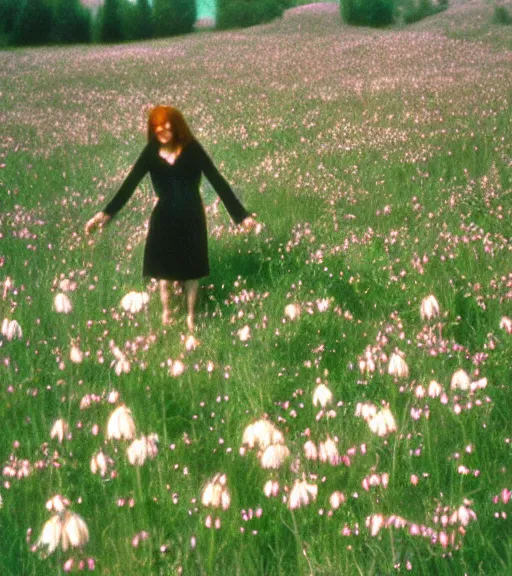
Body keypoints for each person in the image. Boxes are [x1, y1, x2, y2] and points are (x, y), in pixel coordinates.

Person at [85, 105, 258, 332]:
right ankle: (167, 315)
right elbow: (129, 185)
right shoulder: (150, 153)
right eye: (156, 125)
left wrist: (241, 217)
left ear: (176, 126)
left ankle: (191, 319)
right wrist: (105, 214)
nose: (162, 130)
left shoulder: (192, 149)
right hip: (163, 216)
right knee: (163, 272)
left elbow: (217, 180)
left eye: (166, 124)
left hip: (191, 215)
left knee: (191, 272)